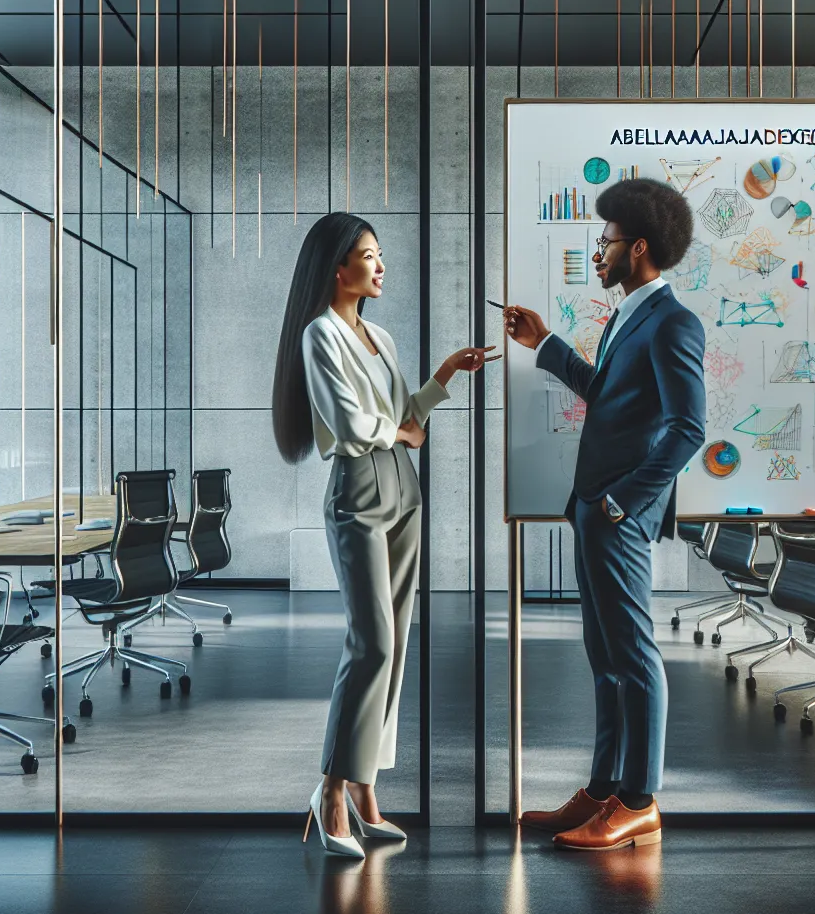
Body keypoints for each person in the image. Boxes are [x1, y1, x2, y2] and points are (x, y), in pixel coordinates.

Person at [272, 212, 495, 859]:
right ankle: (330, 790)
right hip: (359, 492)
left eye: (379, 254)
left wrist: (445, 376)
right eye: (368, 255)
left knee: (395, 649)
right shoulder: (320, 336)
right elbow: (349, 423)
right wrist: (399, 431)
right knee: (370, 644)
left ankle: (367, 788)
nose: (380, 265)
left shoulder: (380, 336)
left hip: (404, 491)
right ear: (336, 268)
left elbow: (404, 412)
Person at [503, 178, 705, 851]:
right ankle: (602, 790)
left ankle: (640, 800)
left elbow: (687, 430)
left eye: (607, 242)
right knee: (605, 657)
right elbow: (607, 394)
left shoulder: (674, 322)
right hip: (593, 507)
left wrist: (624, 500)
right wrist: (546, 342)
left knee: (634, 655)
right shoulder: (627, 315)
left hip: (617, 512)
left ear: (637, 247)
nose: (599, 252)